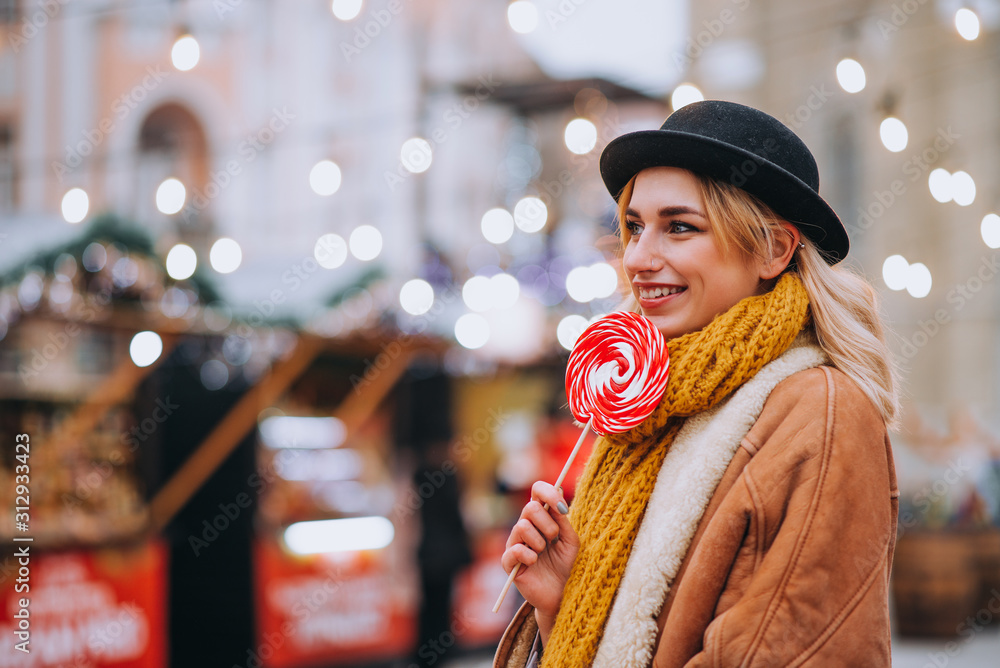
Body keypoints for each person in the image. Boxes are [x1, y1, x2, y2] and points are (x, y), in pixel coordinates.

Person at [493, 100, 901, 667]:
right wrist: (561, 608)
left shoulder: (823, 413)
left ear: (772, 249)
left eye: (679, 227)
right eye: (634, 227)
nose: (638, 257)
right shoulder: (649, 413)